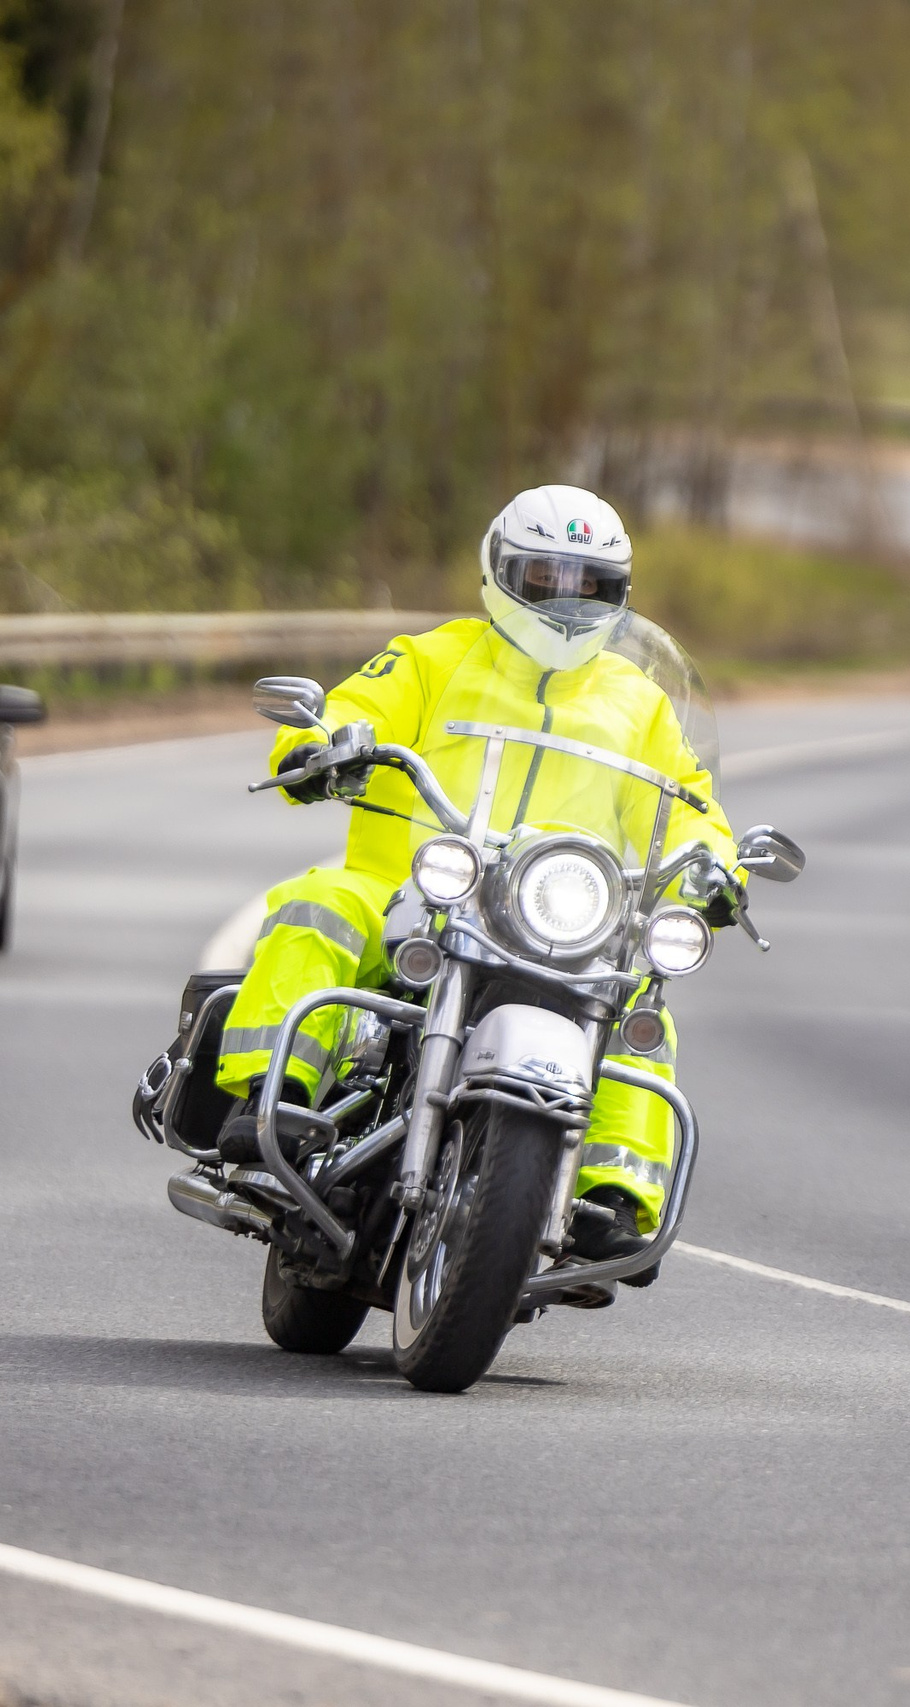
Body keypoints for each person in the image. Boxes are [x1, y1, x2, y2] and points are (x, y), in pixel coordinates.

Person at [213, 484, 737, 1274]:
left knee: (640, 1008)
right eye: (545, 577)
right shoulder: (430, 657)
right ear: (500, 572)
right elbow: (356, 704)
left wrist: (713, 864)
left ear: (619, 594)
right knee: (319, 906)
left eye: (589, 584)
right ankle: (270, 1100)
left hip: (556, 919)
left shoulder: (640, 705)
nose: (566, 600)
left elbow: (690, 801)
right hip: (413, 895)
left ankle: (613, 1195)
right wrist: (325, 743)